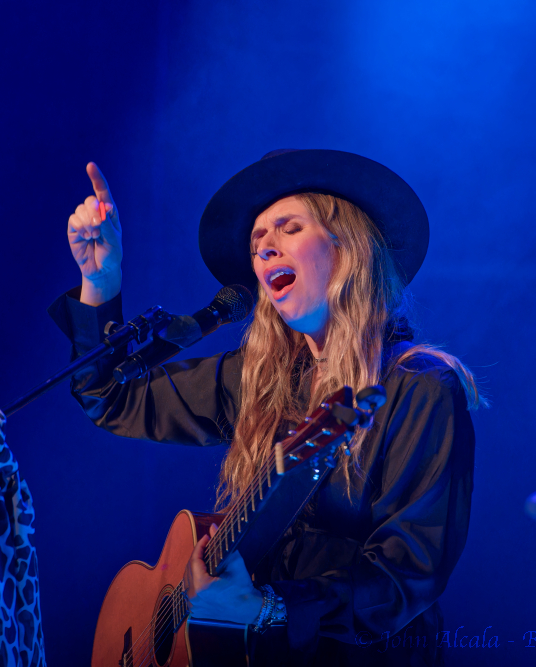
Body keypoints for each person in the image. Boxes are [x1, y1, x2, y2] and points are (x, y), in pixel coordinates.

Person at [48, 150, 482, 665]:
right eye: (257, 242)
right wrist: (101, 283)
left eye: (288, 228)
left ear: (349, 250)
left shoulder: (419, 387)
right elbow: (112, 398)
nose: (264, 249)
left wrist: (273, 609)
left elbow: (409, 571)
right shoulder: (258, 379)